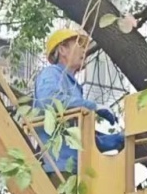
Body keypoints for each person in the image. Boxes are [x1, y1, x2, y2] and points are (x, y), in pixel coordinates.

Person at [32, 28, 125, 175]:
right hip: (60, 169)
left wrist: (111, 140)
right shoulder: (52, 73)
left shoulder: (73, 85)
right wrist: (94, 106)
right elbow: (49, 100)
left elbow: (76, 134)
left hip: (77, 169)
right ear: (62, 50)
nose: (84, 50)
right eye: (79, 45)